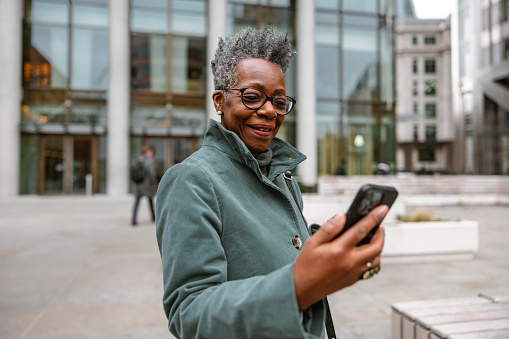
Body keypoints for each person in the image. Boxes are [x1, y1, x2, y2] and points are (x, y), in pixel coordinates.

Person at [155, 26, 387, 339]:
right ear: (220, 101)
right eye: (252, 97)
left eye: (279, 102)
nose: (268, 111)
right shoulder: (191, 180)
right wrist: (297, 286)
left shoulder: (281, 173)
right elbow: (190, 315)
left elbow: (279, 251)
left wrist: (336, 248)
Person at [131, 145, 157, 226]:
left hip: (137, 185)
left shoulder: (136, 160)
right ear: (147, 152)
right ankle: (153, 217)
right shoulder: (149, 161)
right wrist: (154, 183)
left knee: (136, 202)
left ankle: (134, 219)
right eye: (151, 152)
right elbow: (152, 173)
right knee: (150, 200)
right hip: (146, 185)